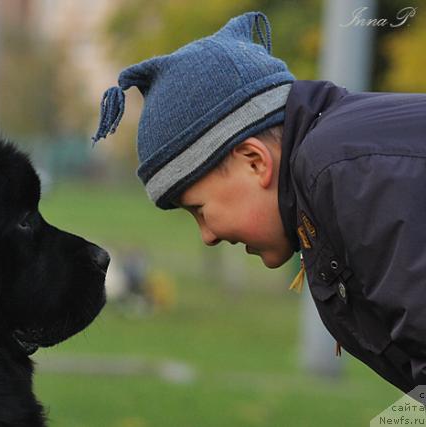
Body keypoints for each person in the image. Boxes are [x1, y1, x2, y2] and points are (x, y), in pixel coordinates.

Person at [92, 11, 426, 393]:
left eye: (198, 210)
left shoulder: (345, 174)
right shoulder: (334, 176)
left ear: (255, 162)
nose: (207, 236)